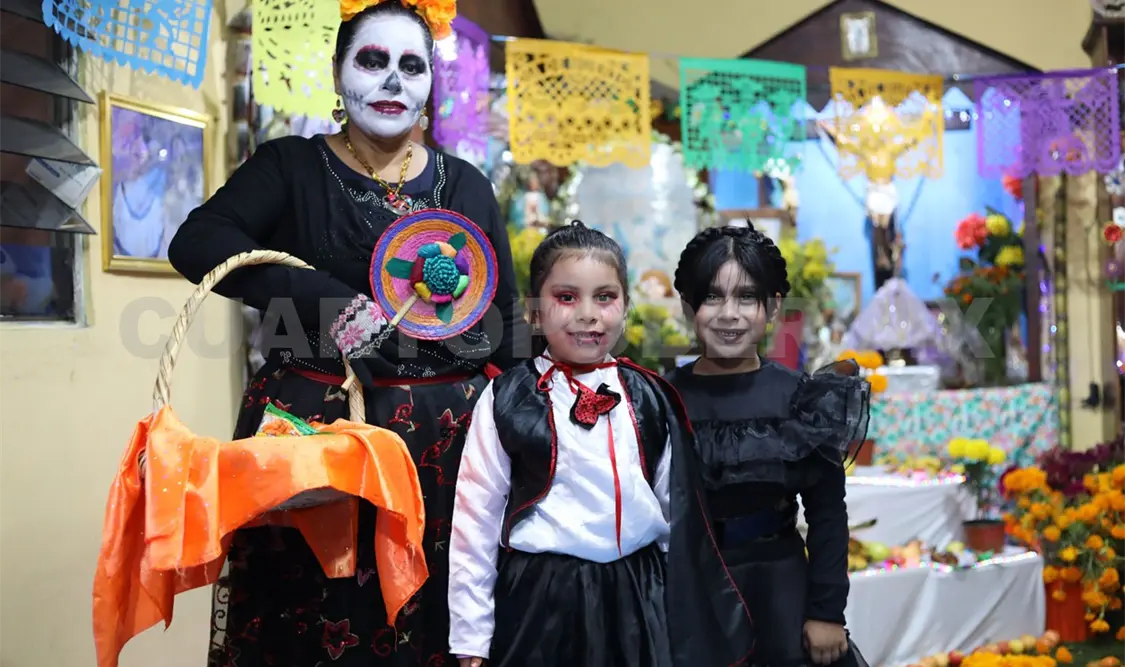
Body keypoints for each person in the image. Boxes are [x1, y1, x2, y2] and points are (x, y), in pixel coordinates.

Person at [166, 0, 527, 664]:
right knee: (312, 621)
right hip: (318, 448)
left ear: (428, 86)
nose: (393, 80)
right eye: (372, 60)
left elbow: (506, 324)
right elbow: (197, 241)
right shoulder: (289, 168)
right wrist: (318, 298)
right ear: (337, 74)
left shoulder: (467, 185)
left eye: (411, 65)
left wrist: (539, 430)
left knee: (440, 631)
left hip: (444, 465)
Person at [447, 221, 753, 667]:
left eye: (605, 297)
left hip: (638, 592)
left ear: (626, 306)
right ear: (533, 311)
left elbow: (677, 510)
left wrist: (678, 608)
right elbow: (475, 519)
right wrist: (471, 636)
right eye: (566, 297)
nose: (587, 314)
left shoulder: (650, 395)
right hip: (541, 598)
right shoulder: (507, 397)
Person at [665, 225, 871, 667]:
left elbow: (828, 514)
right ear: (688, 306)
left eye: (746, 297)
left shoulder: (803, 400)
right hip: (689, 593)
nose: (729, 314)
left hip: (780, 591)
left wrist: (826, 612)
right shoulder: (660, 400)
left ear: (773, 306)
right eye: (713, 297)